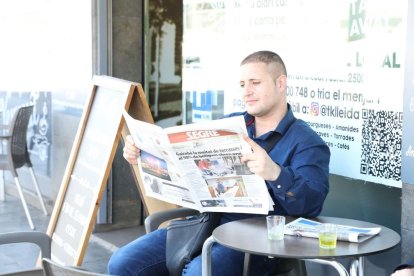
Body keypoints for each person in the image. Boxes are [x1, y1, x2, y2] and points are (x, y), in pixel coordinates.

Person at [108, 50, 331, 275]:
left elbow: (312, 205)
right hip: (203, 225)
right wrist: (142, 154)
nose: (247, 92)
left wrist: (274, 173)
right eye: (242, 84)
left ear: (280, 83)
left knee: (199, 272)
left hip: (258, 241)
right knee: (122, 263)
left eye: (255, 82)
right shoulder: (228, 126)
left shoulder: (307, 142)